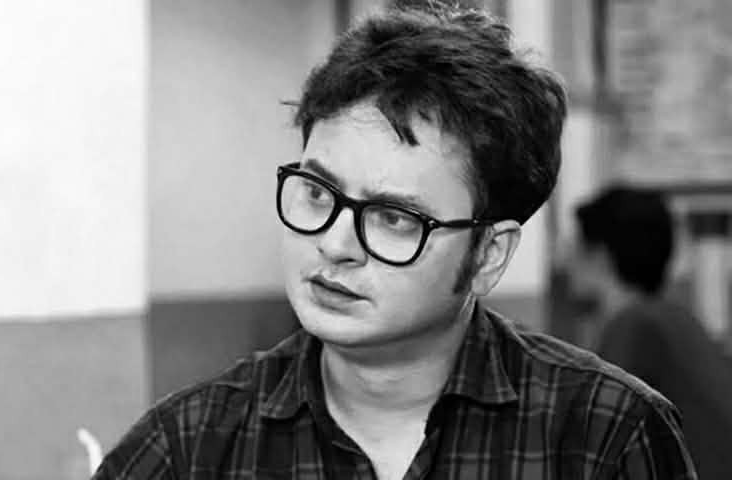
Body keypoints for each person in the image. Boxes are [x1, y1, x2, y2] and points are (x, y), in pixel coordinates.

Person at [95, 5, 696, 479]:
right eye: (318, 192)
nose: (335, 244)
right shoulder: (191, 445)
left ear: (488, 255)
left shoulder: (601, 436)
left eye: (394, 219)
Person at [573, 185, 732, 479]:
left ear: (600, 256)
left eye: (576, 248)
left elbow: (595, 443)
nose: (566, 260)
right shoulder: (675, 319)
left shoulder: (633, 327)